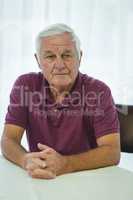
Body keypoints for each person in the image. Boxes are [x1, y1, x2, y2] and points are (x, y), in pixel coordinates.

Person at [1, 23, 120, 179]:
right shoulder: (25, 85)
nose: (59, 65)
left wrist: (66, 164)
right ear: (38, 60)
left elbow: (112, 152)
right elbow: (9, 139)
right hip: (40, 177)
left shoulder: (98, 91)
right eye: (50, 56)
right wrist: (25, 160)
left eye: (67, 55)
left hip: (86, 178)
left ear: (80, 57)